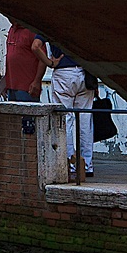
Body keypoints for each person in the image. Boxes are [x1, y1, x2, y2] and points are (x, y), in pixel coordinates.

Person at [44, 46, 93, 180]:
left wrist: (50, 63)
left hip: (63, 72)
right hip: (85, 71)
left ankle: (71, 163)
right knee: (85, 119)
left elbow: (36, 45)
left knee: (66, 120)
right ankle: (87, 165)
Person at [3, 22, 43, 102]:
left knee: (29, 113)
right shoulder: (12, 29)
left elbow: (42, 59)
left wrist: (37, 81)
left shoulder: (33, 32)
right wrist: (6, 82)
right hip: (11, 86)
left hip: (28, 88)